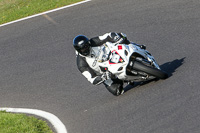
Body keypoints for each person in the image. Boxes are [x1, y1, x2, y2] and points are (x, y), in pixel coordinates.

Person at [73, 32, 146, 96]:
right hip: (106, 72)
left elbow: (108, 36)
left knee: (122, 38)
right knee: (116, 91)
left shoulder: (93, 42)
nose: (86, 49)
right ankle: (124, 79)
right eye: (83, 49)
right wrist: (102, 77)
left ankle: (136, 46)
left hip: (111, 56)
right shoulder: (81, 63)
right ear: (79, 50)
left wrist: (116, 38)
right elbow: (92, 79)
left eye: (87, 46)